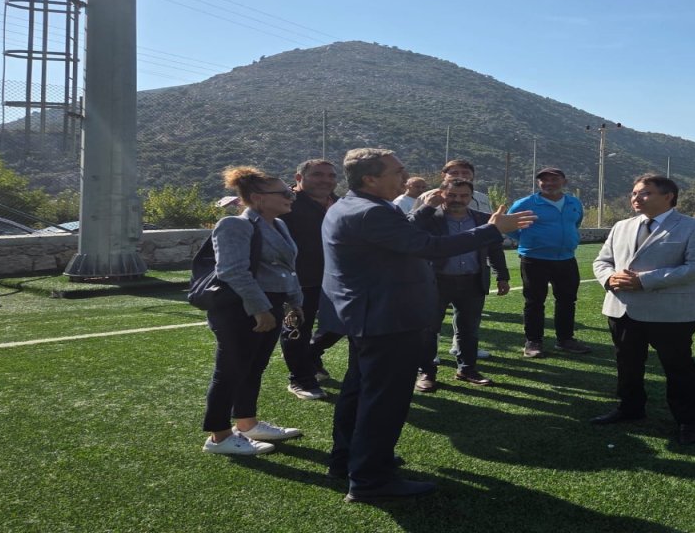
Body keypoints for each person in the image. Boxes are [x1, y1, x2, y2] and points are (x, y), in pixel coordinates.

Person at [318, 148, 534, 502]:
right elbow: (429, 246)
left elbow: (403, 239)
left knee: (359, 393)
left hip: (367, 317)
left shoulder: (350, 205)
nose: (406, 178)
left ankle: (349, 461)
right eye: (397, 171)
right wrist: (492, 230)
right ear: (370, 178)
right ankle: (371, 480)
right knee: (383, 402)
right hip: (387, 319)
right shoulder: (371, 211)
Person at [591, 174, 695, 445]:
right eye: (634, 193)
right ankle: (630, 408)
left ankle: (687, 421)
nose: (636, 198)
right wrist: (609, 278)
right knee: (627, 364)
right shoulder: (621, 226)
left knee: (678, 367)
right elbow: (602, 261)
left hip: (670, 312)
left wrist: (644, 280)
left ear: (668, 196)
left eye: (645, 193)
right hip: (623, 309)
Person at [201, 166, 305, 456]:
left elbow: (287, 267)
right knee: (230, 369)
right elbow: (233, 271)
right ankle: (219, 436)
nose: (290, 197)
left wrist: (294, 301)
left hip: (270, 303)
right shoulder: (234, 225)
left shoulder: (278, 224)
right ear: (259, 198)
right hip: (240, 307)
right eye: (284, 193)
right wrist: (260, 309)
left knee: (253, 367)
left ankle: (247, 424)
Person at [410, 178, 510, 390]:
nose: (458, 199)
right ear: (441, 194)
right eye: (452, 195)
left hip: (472, 280)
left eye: (464, 196)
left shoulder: (484, 219)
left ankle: (467, 369)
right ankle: (426, 372)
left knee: (469, 329)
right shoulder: (429, 217)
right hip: (435, 281)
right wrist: (427, 207)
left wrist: (502, 276)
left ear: (471, 197)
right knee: (429, 330)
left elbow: (494, 249)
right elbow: (407, 228)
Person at [507, 167, 591, 357]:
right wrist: (528, 240)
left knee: (567, 300)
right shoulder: (525, 203)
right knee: (534, 301)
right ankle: (533, 342)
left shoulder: (574, 202)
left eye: (554, 179)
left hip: (566, 258)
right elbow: (508, 226)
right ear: (538, 183)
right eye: (544, 180)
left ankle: (565, 339)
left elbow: (575, 223)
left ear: (564, 182)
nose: (549, 183)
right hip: (534, 259)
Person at [278, 159, 343, 399]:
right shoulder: (287, 204)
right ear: (299, 178)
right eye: (318, 175)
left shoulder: (340, 203)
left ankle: (311, 355)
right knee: (297, 329)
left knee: (343, 322)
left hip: (336, 278)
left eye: (331, 175)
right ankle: (300, 380)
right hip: (299, 280)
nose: (326, 180)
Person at [414, 159, 493, 214]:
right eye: (454, 173)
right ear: (443, 175)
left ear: (473, 175)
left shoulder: (482, 198)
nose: (460, 176)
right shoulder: (426, 197)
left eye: (465, 173)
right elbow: (414, 222)